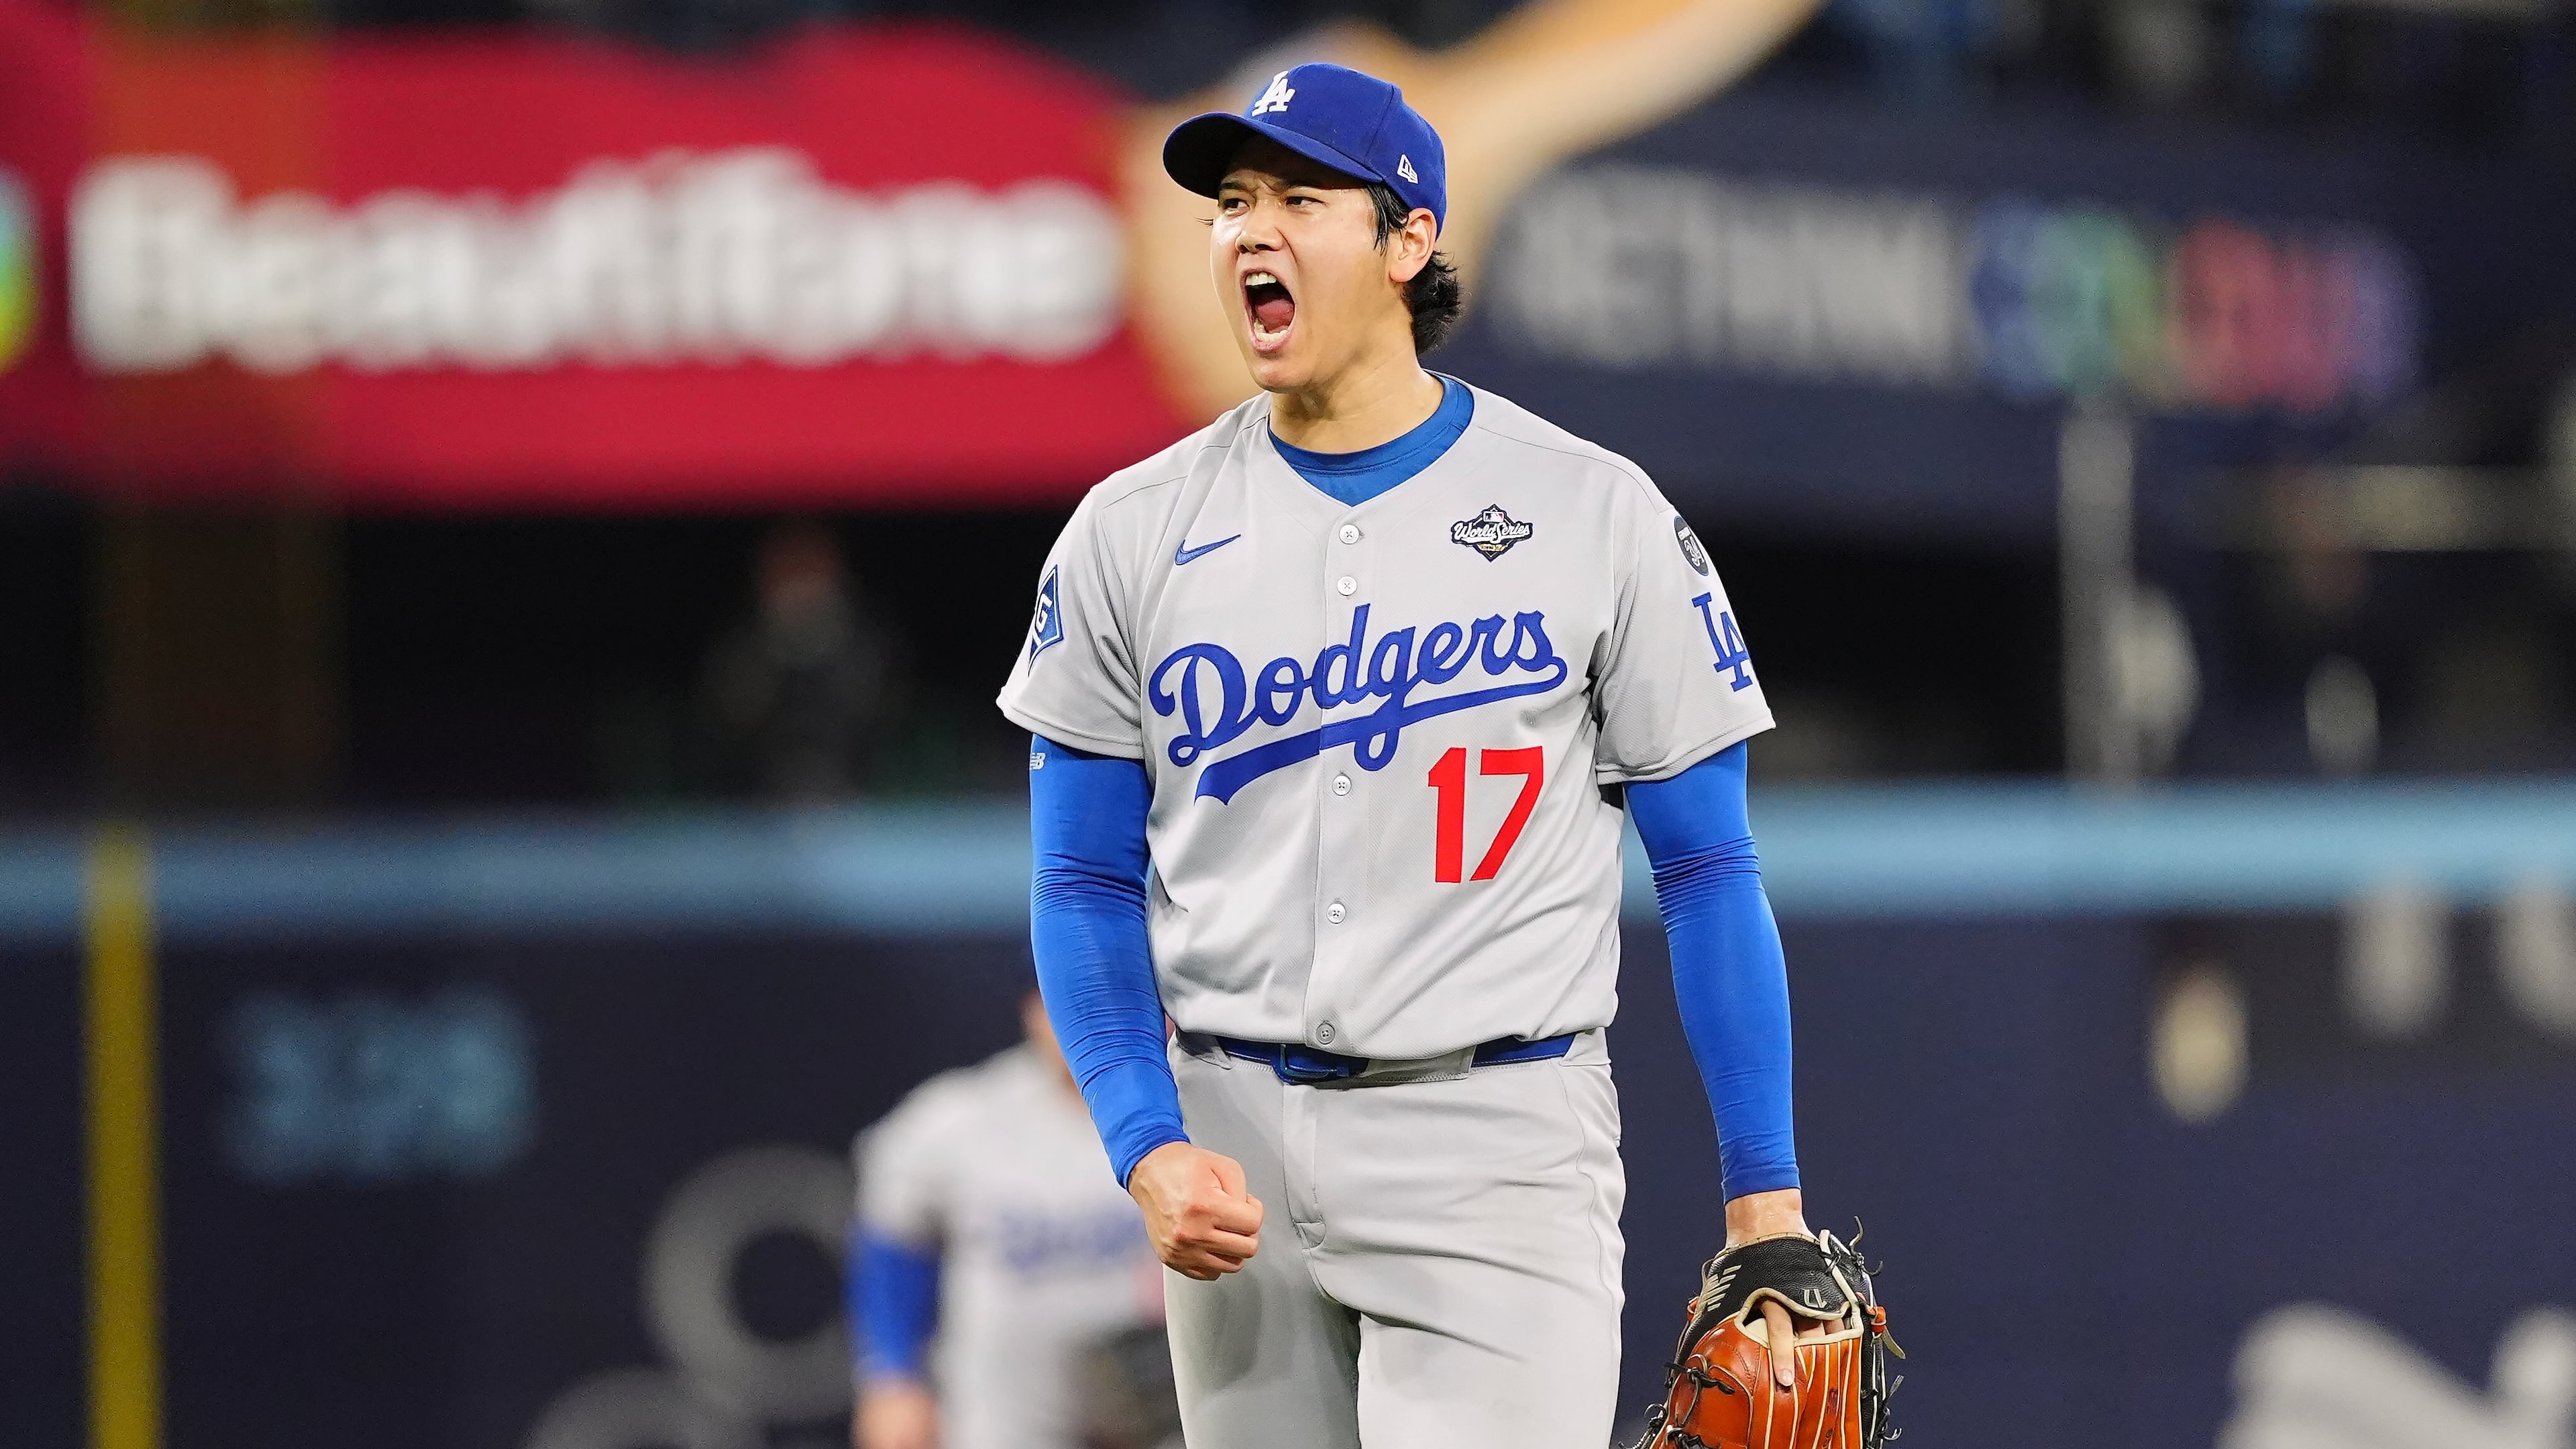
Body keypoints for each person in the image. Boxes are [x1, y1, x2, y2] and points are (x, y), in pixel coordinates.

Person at [998, 62, 1845, 1448]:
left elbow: (1705, 867)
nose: (1250, 229)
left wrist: (1766, 1194)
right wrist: (1145, 1140)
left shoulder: (1593, 511)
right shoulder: (1128, 530)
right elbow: (1081, 880)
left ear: (1410, 242)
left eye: (1301, 199)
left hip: (1495, 1137)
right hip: (1230, 1141)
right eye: (1232, 201)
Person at [847, 994, 1175, 1449]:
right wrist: (893, 1373)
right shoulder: (961, 1117)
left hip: (1159, 1401)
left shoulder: (1191, 1104)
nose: (1091, 1017)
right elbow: (893, 1241)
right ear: (1033, 1011)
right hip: (1009, 1410)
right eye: (1067, 997)